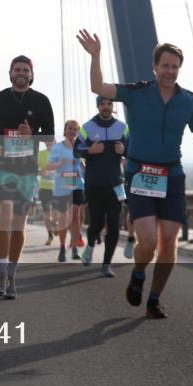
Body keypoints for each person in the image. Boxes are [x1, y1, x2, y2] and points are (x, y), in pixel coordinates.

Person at [77, 32, 193, 318]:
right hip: (140, 174)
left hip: (172, 175)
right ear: (155, 67)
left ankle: (155, 298)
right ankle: (138, 273)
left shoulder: (188, 100)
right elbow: (97, 86)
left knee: (170, 241)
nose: (170, 71)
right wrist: (96, 55)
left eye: (175, 66)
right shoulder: (137, 92)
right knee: (147, 241)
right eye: (165, 65)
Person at [0, 55, 55, 300]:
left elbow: (50, 136)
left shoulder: (41, 101)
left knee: (19, 223)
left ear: (31, 74)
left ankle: (11, 275)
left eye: (25, 70)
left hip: (27, 169)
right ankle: (1, 272)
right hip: (1, 167)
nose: (21, 73)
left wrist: (33, 134)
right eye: (17, 69)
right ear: (10, 73)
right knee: (6, 212)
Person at [76, 95, 129, 277]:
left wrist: (125, 151)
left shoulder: (122, 127)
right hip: (94, 185)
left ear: (112, 106)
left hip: (115, 184)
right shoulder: (87, 127)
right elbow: (76, 150)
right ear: (98, 106)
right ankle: (90, 246)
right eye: (103, 104)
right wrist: (90, 150)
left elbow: (133, 148)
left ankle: (107, 264)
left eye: (109, 104)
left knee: (114, 226)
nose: (106, 107)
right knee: (96, 224)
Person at [46, 120, 86, 263]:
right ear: (65, 130)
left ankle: (74, 247)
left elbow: (82, 163)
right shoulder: (57, 147)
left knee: (75, 215)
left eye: (75, 129)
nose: (72, 131)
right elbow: (49, 166)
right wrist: (59, 164)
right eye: (70, 128)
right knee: (63, 218)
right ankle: (62, 248)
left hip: (77, 185)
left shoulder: (80, 147)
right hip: (62, 186)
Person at [38, 140, 56, 246]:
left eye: (51, 142)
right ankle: (50, 235)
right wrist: (41, 172)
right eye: (47, 142)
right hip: (44, 188)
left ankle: (55, 223)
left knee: (56, 213)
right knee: (46, 214)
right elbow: (35, 170)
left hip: (58, 188)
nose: (49, 144)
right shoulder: (40, 154)